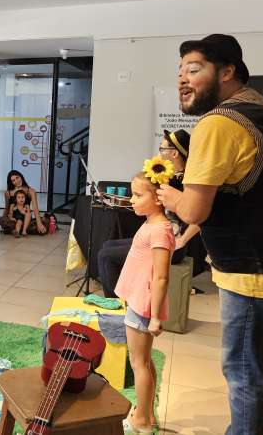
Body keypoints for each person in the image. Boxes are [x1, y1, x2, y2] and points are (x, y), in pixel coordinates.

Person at [157, 34, 263, 435]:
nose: (182, 79)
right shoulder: (262, 109)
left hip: (261, 273)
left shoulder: (218, 123)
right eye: (180, 71)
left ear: (227, 72)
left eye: (194, 69)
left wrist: (171, 195)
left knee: (246, 376)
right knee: (259, 370)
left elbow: (194, 210)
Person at [97, 129, 200, 297]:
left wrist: (182, 240)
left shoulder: (188, 183)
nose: (159, 154)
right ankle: (123, 295)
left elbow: (201, 216)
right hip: (160, 236)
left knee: (106, 256)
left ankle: (117, 303)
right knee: (108, 246)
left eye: (162, 149)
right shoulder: (169, 178)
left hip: (170, 244)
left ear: (175, 153)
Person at [116, 169, 175, 434]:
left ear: (158, 198)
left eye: (138, 195)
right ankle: (146, 412)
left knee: (138, 363)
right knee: (144, 361)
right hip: (138, 299)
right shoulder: (152, 223)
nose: (132, 200)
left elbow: (162, 277)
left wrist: (155, 317)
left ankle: (140, 419)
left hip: (144, 304)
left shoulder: (160, 230)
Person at [0, 170, 48, 235]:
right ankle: (18, 229)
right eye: (13, 180)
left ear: (21, 176)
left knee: (42, 224)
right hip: (13, 221)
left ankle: (17, 230)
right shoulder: (8, 193)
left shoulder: (31, 191)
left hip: (26, 221)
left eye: (17, 178)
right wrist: (0, 222)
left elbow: (35, 208)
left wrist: (39, 223)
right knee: (2, 220)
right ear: (11, 182)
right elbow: (7, 208)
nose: (16, 181)